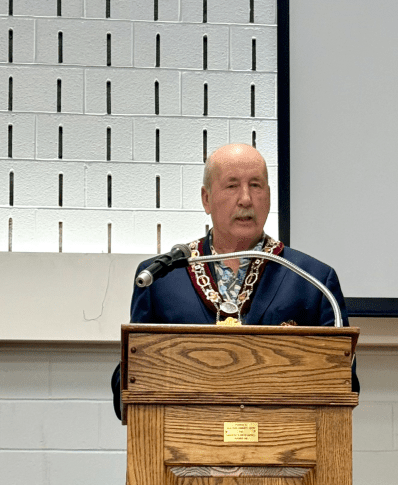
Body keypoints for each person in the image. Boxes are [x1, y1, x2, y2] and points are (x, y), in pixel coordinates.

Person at [110, 143, 357, 418]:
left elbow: (345, 383)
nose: (246, 199)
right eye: (232, 186)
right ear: (206, 199)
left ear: (270, 196)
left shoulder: (312, 280)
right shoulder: (161, 278)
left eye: (256, 185)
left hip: (286, 446)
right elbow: (128, 381)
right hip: (185, 445)